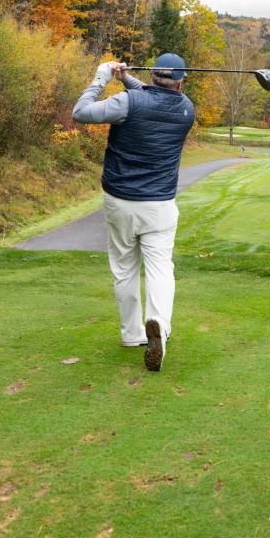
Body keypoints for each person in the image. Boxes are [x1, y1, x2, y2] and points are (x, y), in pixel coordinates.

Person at [72, 52, 195, 372]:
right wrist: (125, 77)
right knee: (160, 268)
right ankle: (159, 326)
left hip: (121, 201)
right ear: (181, 80)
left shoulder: (128, 103)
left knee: (125, 267)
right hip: (160, 206)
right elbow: (154, 98)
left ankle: (131, 333)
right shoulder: (186, 109)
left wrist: (102, 77)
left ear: (153, 74)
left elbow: (81, 112)